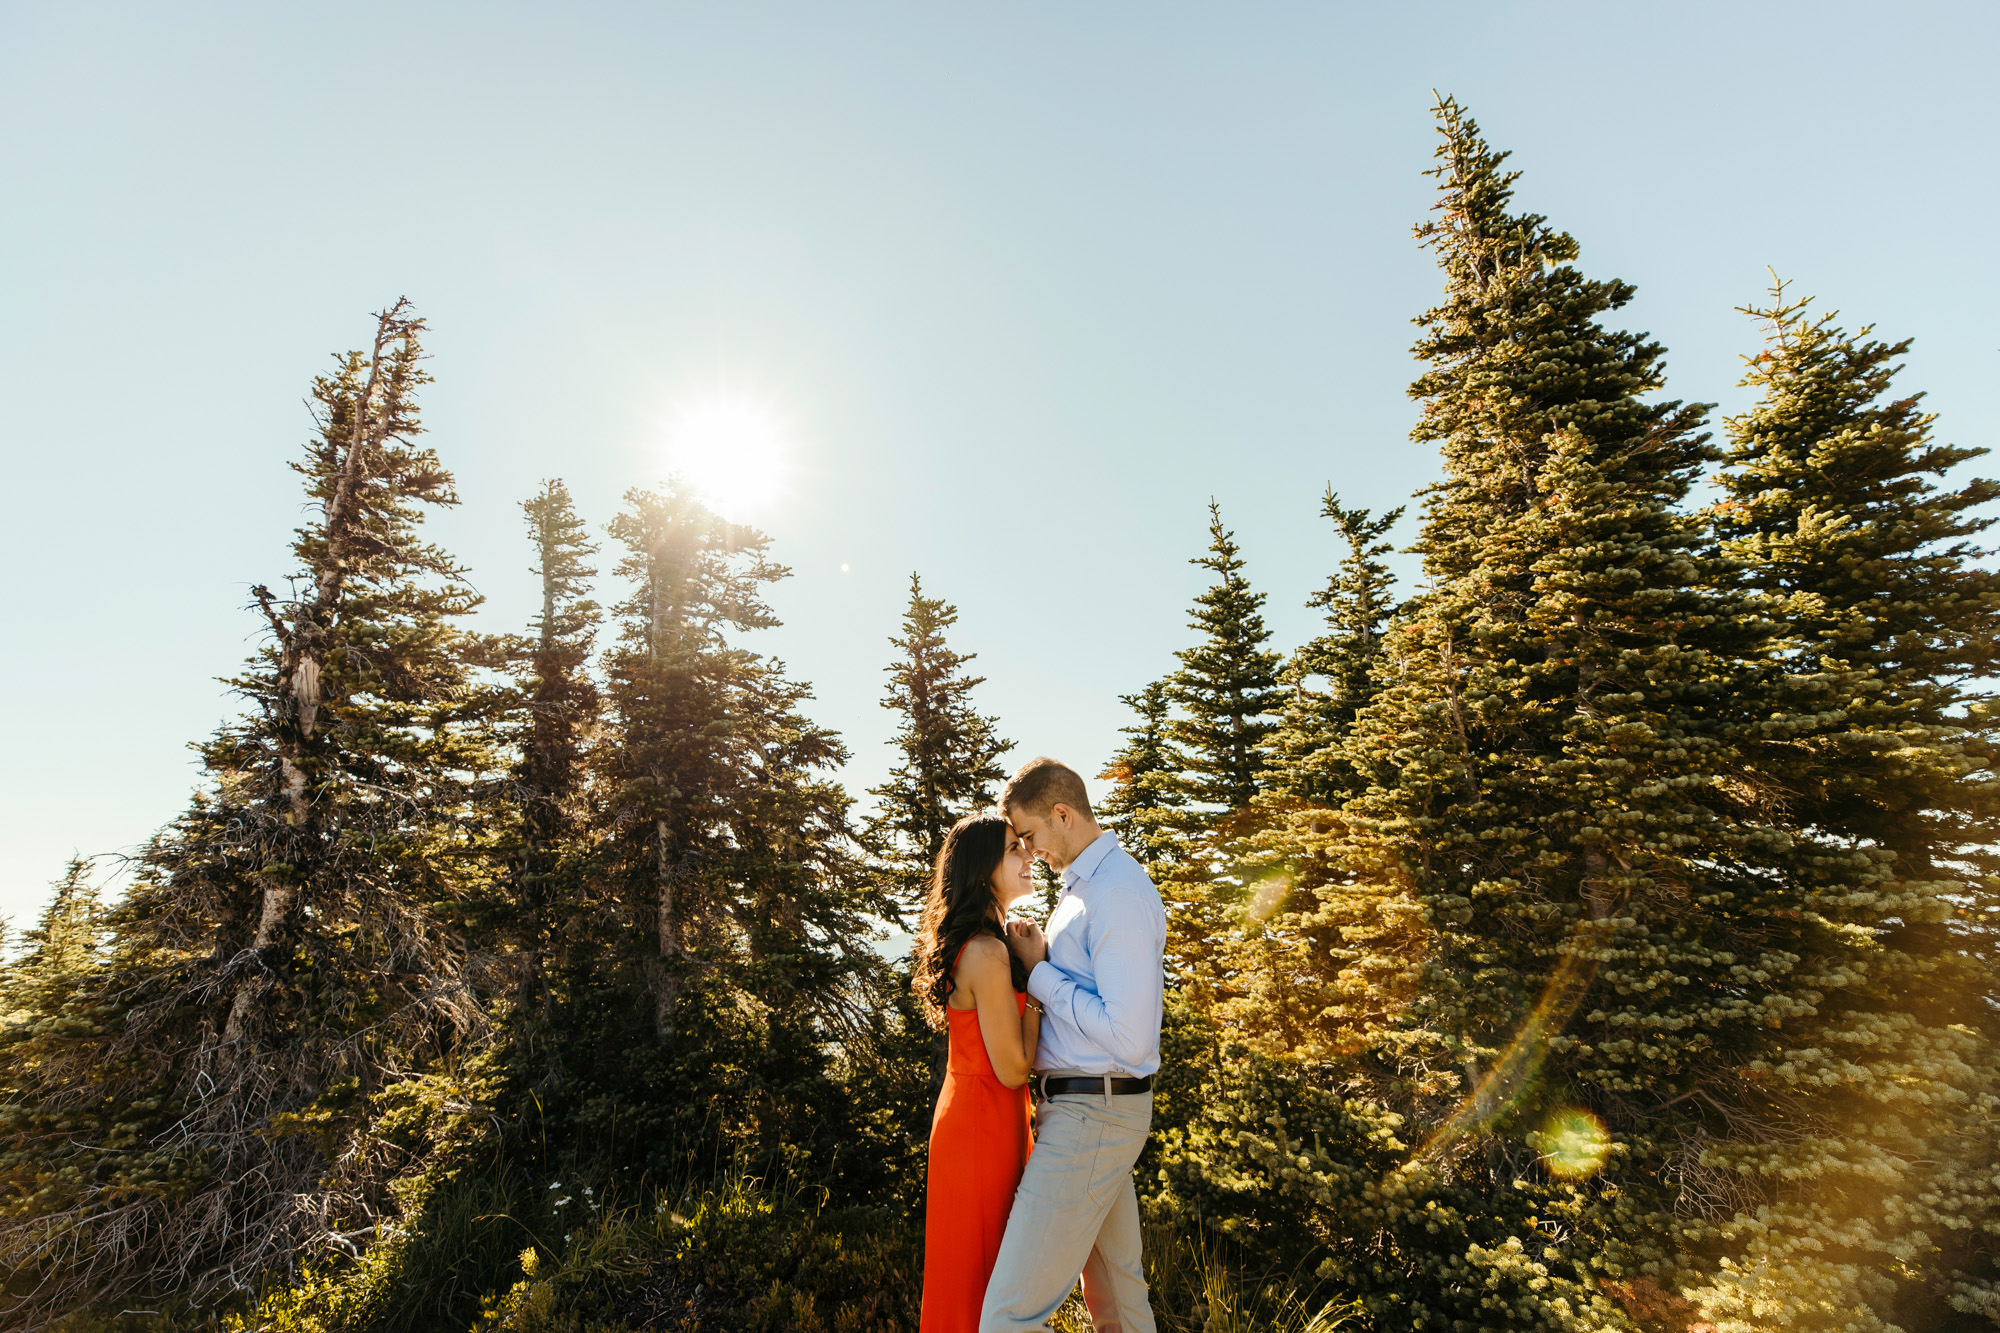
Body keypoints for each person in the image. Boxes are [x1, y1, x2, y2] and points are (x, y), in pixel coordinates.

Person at [984, 757, 1164, 1333]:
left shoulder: (1116, 894)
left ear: (1064, 814)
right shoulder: (1087, 890)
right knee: (1118, 1302)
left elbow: (1130, 1039)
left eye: (1031, 836)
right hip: (1092, 1111)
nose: (1031, 853)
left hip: (1094, 1115)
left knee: (1009, 1315)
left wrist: (1040, 973)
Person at [914, 812, 1045, 1333]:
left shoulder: (982, 943)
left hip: (971, 1115)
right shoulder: (988, 952)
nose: (1029, 856)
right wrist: (1037, 979)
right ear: (983, 868)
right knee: (984, 1278)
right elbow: (1014, 1069)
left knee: (975, 1275)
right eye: (1015, 849)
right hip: (982, 1124)